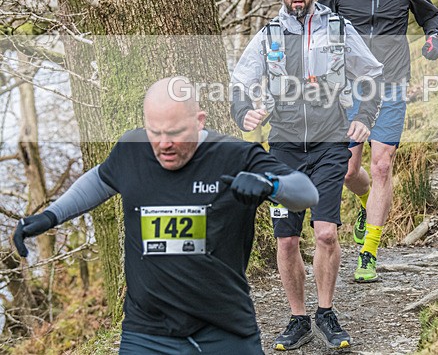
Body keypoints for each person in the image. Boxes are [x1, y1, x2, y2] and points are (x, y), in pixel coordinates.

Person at [13, 77, 319, 355]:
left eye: (174, 133)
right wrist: (49, 217)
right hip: (147, 332)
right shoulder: (132, 150)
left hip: (224, 328)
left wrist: (272, 185)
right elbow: (99, 180)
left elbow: (306, 192)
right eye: (155, 132)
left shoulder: (234, 155)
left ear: (199, 121)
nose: (163, 144)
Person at [230, 0, 384, 350]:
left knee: (327, 234)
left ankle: (327, 313)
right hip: (282, 148)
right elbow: (240, 82)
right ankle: (298, 319)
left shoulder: (337, 28)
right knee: (286, 241)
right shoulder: (267, 36)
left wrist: (364, 115)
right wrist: (244, 112)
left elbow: (371, 73)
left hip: (330, 142)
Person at [318, 0, 438, 283]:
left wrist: (434, 39)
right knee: (347, 170)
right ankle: (364, 203)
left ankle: (369, 252)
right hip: (349, 88)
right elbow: (319, 27)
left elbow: (430, 18)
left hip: (390, 85)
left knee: (383, 165)